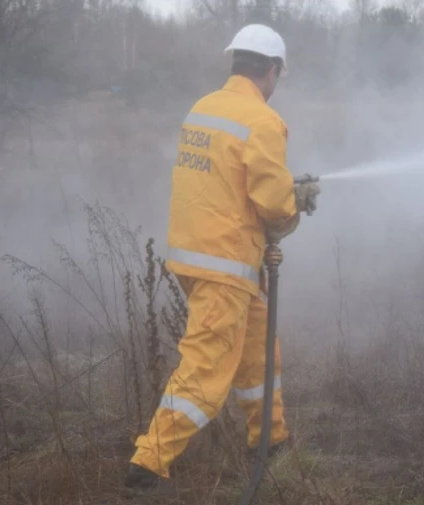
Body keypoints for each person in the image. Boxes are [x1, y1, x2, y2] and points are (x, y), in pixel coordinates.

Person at [124, 24, 320, 490]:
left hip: (199, 258)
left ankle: (271, 439)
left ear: (237, 62)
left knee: (257, 353)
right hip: (226, 265)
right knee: (207, 367)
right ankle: (147, 463)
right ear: (271, 70)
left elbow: (227, 181)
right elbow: (274, 208)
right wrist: (297, 202)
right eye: (277, 75)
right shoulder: (263, 121)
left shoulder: (204, 108)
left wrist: (282, 194)